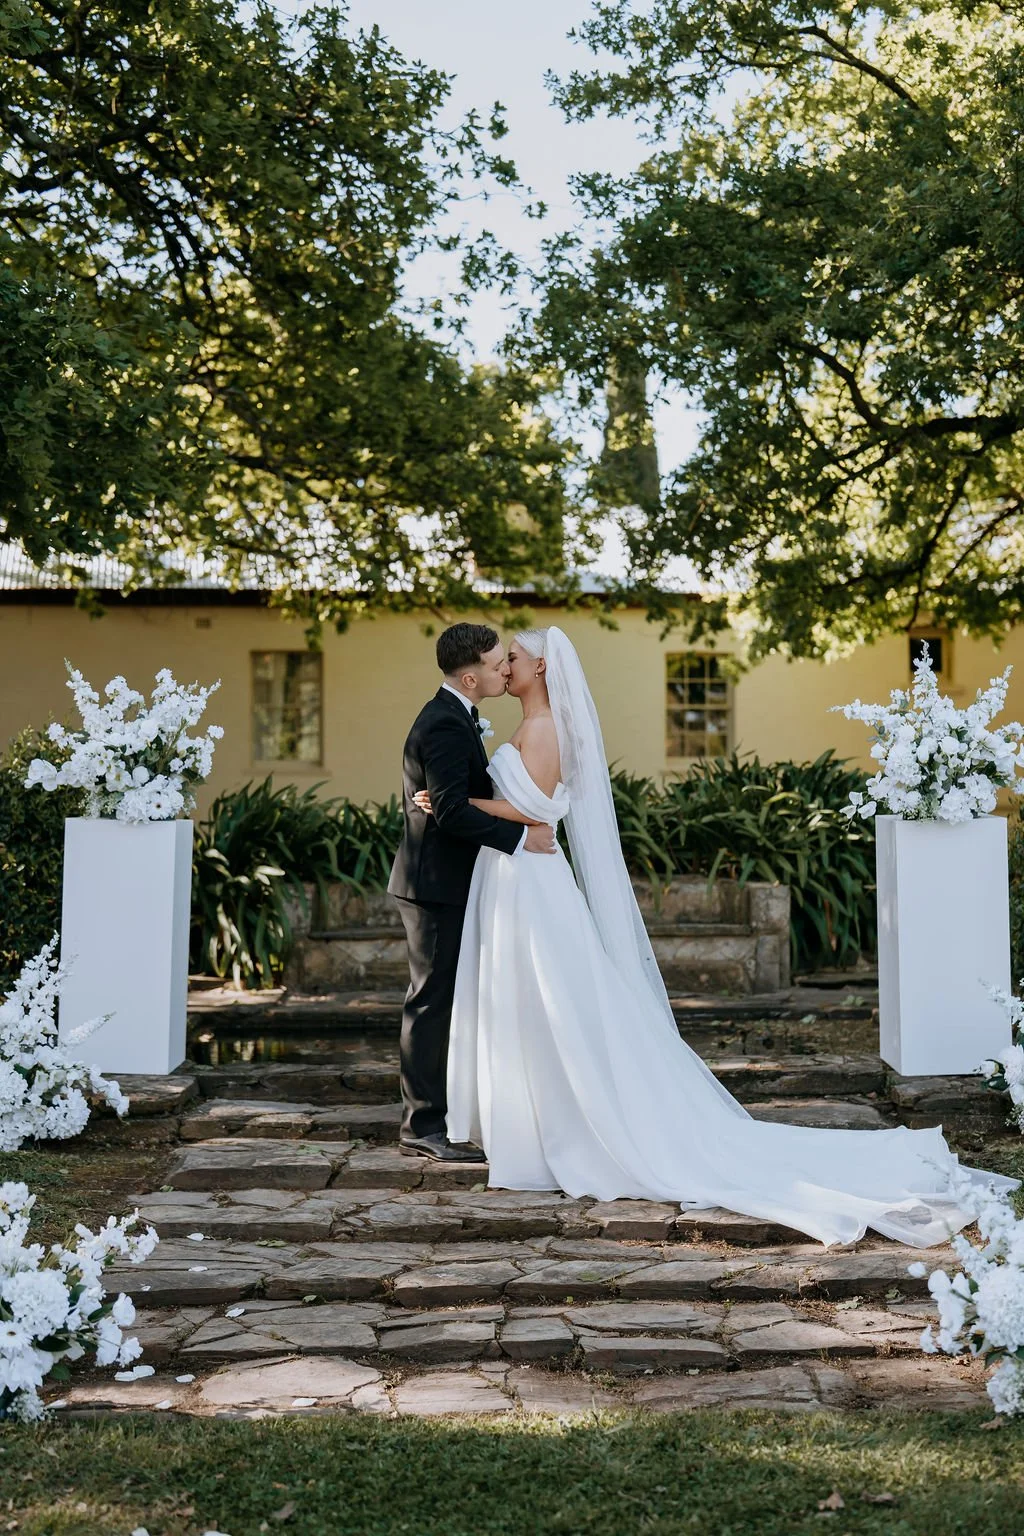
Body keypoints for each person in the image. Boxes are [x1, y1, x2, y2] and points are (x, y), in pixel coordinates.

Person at [413, 625, 1017, 1247]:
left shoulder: (543, 729)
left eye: (513, 657)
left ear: (541, 668)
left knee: (554, 999)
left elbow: (536, 811)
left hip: (532, 878)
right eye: (501, 660)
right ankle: (533, 1125)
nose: (505, 666)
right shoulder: (526, 723)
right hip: (516, 874)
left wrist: (458, 806)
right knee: (533, 1002)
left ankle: (564, 1130)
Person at [387, 622, 556, 1162]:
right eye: (496, 663)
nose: (504, 669)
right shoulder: (443, 722)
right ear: (470, 676)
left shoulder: (458, 716)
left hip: (452, 880)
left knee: (444, 999)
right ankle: (421, 1126)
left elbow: (458, 801)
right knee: (430, 1001)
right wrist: (522, 838)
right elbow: (452, 812)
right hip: (434, 883)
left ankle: (447, 1114)